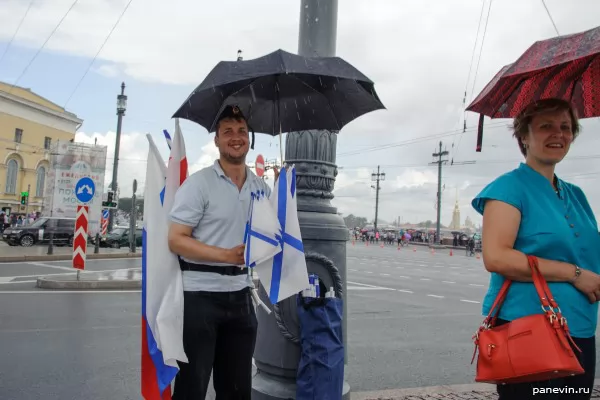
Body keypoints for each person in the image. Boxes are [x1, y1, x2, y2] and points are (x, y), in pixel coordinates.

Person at [471, 98, 600, 399]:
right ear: (524, 137)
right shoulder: (507, 189)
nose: (559, 134)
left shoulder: (577, 195)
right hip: (529, 331)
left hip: (580, 330)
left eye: (566, 127)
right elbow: (497, 257)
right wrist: (573, 274)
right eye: (546, 126)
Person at [168, 105, 278, 399]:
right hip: (199, 299)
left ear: (249, 139)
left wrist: (283, 192)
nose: (236, 137)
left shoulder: (262, 188)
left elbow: (272, 239)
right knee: (192, 387)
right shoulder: (199, 184)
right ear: (216, 140)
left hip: (242, 297)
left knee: (237, 389)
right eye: (227, 131)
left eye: (242, 131)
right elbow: (176, 239)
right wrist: (225, 255)